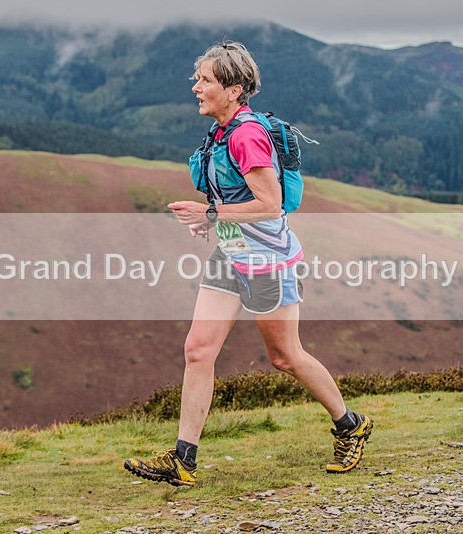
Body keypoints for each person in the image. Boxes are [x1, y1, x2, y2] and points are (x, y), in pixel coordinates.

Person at [123, 42, 372, 487]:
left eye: (206, 81)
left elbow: (271, 205)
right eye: (197, 79)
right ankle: (184, 460)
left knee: (285, 357)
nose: (196, 88)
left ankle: (350, 425)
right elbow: (235, 200)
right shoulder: (220, 132)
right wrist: (213, 223)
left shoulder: (245, 134)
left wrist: (210, 215)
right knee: (197, 350)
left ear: (234, 89)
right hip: (232, 254)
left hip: (266, 263)